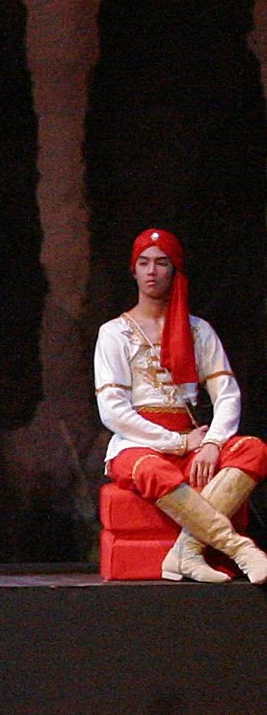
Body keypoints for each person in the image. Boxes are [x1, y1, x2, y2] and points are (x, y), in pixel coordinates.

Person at [96, 228, 267, 583]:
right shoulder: (114, 332)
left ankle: (186, 551)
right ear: (133, 270)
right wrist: (176, 442)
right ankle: (241, 549)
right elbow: (113, 410)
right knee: (153, 470)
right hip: (136, 443)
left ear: (174, 270)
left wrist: (212, 443)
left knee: (253, 450)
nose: (152, 271)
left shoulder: (198, 331)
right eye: (144, 263)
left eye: (161, 263)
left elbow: (227, 394)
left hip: (193, 440)